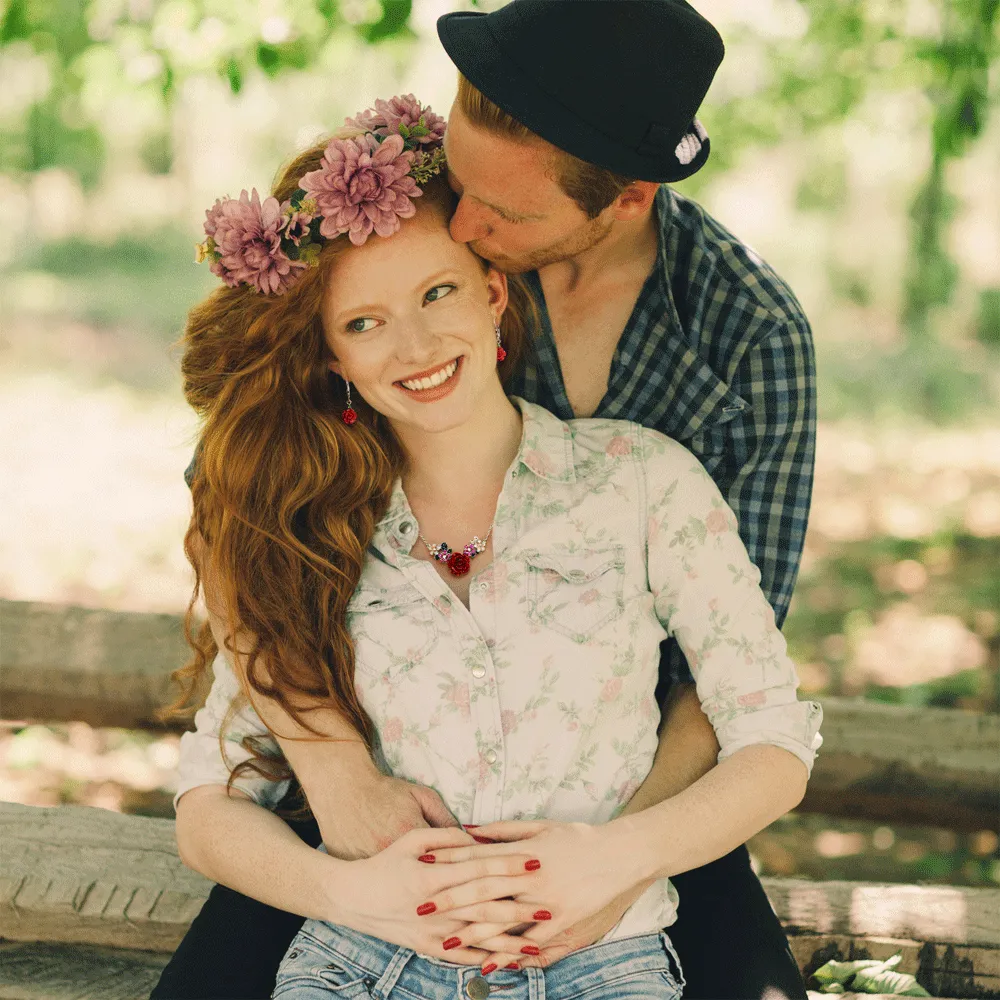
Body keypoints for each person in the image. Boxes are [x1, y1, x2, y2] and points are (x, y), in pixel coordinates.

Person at [153, 2, 818, 998]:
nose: (462, 225)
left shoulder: (741, 345)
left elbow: (739, 685)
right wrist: (340, 784)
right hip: (368, 813)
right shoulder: (405, 218)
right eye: (459, 188)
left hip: (638, 782)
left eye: (497, 221)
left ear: (624, 201)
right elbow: (248, 523)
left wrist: (613, 858)